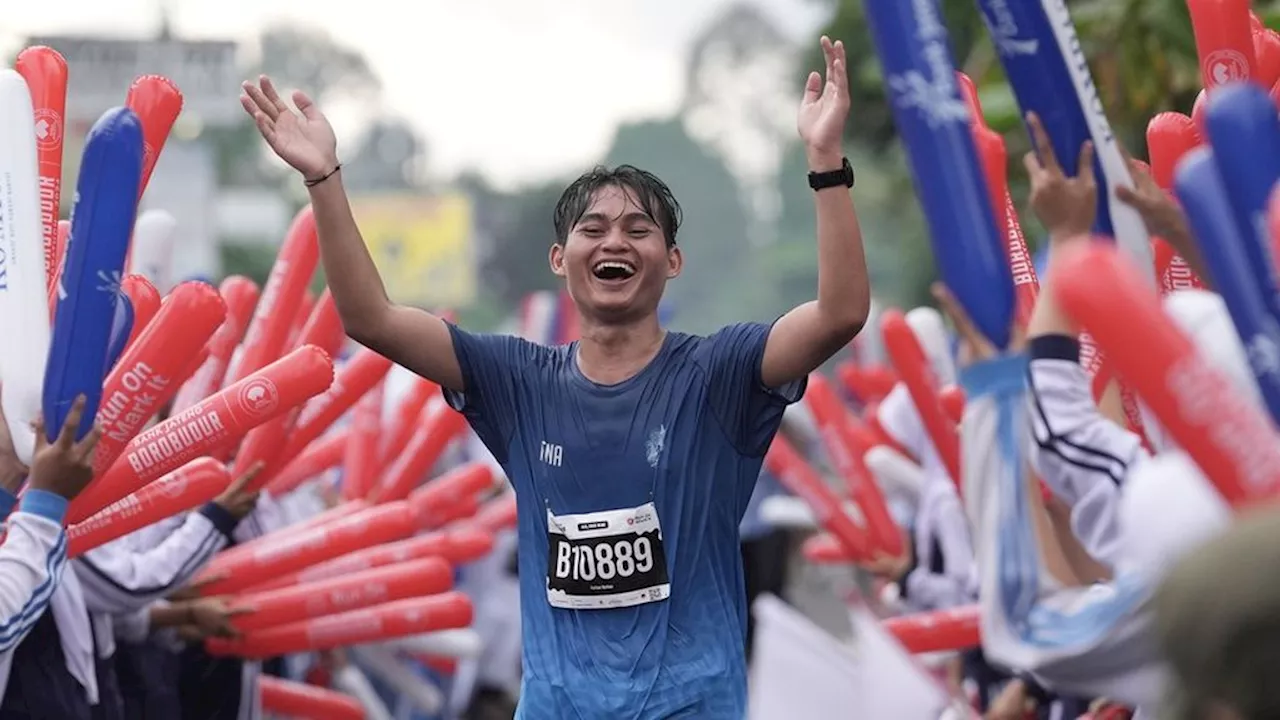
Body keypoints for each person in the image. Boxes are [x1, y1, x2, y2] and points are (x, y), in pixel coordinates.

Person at [241, 34, 870, 719]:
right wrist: (324, 179)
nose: (614, 243)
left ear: (674, 261)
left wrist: (825, 162)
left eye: (638, 229)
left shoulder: (720, 373)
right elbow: (371, 318)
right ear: (558, 258)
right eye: (593, 229)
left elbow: (839, 314)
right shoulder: (517, 382)